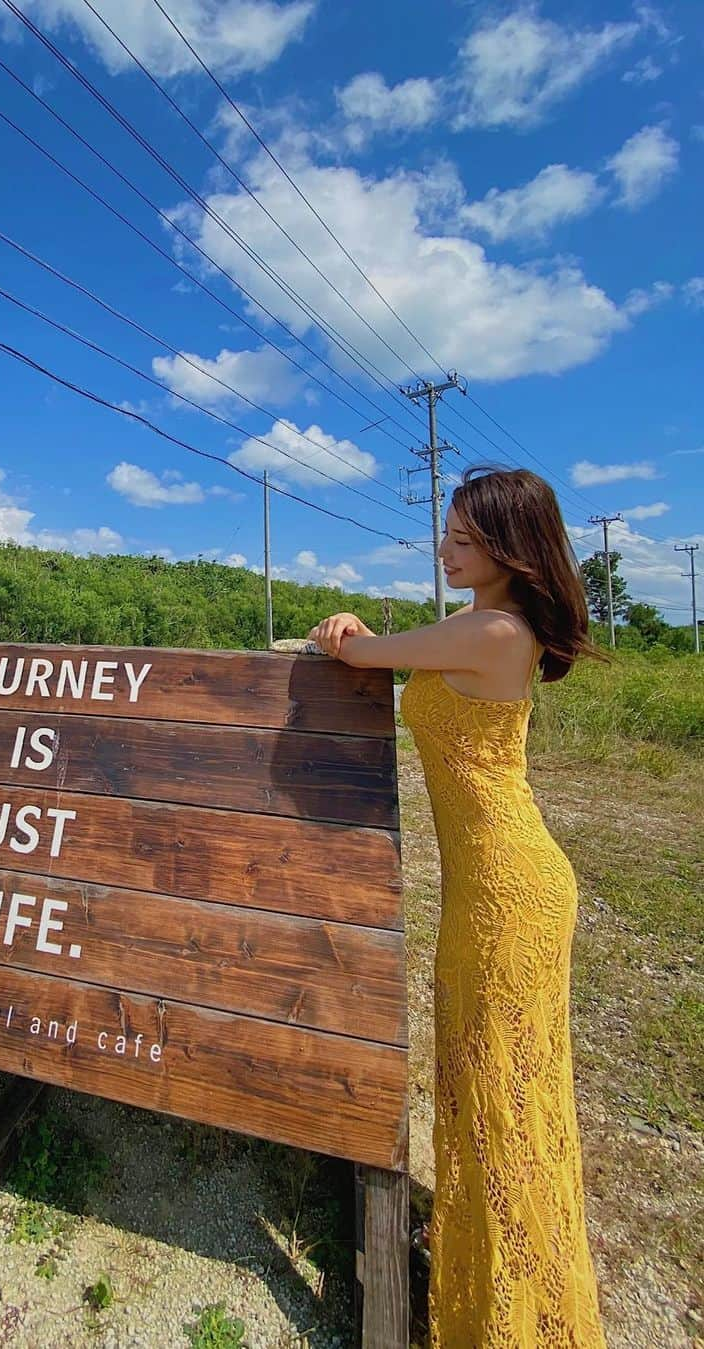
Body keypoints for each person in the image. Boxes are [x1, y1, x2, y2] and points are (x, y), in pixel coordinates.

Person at [308, 465, 608, 1348]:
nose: (446, 548)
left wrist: (346, 629)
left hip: (510, 891)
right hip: (491, 887)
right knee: (492, 1080)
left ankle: (511, 1307)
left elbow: (362, 652)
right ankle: (491, 1257)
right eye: (447, 533)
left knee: (502, 1087)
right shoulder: (484, 627)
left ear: (511, 552)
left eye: (465, 539)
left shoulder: (493, 630)